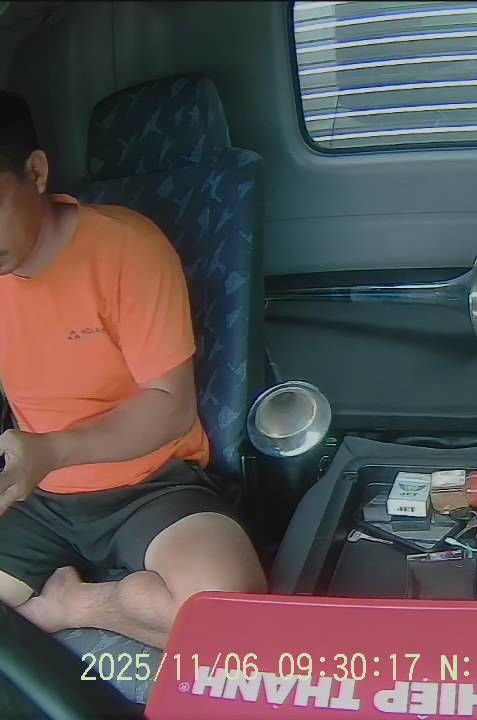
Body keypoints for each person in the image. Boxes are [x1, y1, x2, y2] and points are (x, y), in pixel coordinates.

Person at [0, 90, 265, 649]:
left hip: (150, 483)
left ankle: (73, 605)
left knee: (228, 616)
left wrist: (51, 451)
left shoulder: (127, 248)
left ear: (36, 172)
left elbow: (170, 406)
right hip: (35, 494)